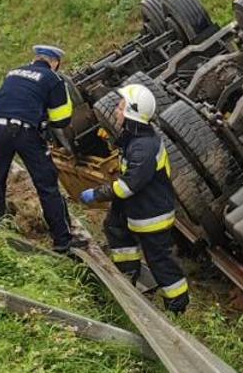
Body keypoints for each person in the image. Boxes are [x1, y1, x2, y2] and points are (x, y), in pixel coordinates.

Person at [79, 84, 190, 314]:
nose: (117, 111)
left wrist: (97, 194)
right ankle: (127, 277)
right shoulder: (134, 138)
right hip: (137, 207)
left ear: (132, 113)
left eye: (121, 107)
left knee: (160, 261)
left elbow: (129, 185)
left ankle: (178, 305)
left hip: (152, 215)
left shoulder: (143, 147)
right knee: (115, 228)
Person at [0, 45, 82, 254]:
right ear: (54, 62)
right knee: (47, 184)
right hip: (24, 131)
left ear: (36, 58)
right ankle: (63, 241)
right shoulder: (53, 79)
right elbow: (62, 119)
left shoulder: (14, 72)